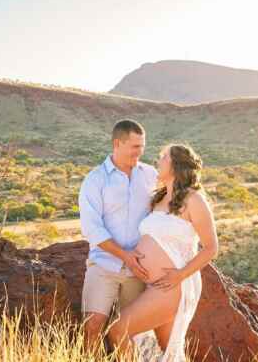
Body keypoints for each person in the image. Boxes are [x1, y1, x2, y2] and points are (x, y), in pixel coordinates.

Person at [107, 143, 219, 362]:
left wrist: (180, 275)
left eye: (163, 157)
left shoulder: (193, 199)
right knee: (168, 350)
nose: (158, 161)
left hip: (171, 286)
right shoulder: (158, 199)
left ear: (176, 165)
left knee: (118, 330)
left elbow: (212, 248)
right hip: (151, 286)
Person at [78, 119, 158, 354]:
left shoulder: (151, 175)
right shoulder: (95, 180)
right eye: (135, 146)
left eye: (142, 146)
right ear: (117, 143)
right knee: (91, 328)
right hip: (103, 265)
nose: (140, 152)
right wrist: (125, 255)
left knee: (129, 332)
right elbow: (92, 228)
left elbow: (163, 213)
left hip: (139, 271)